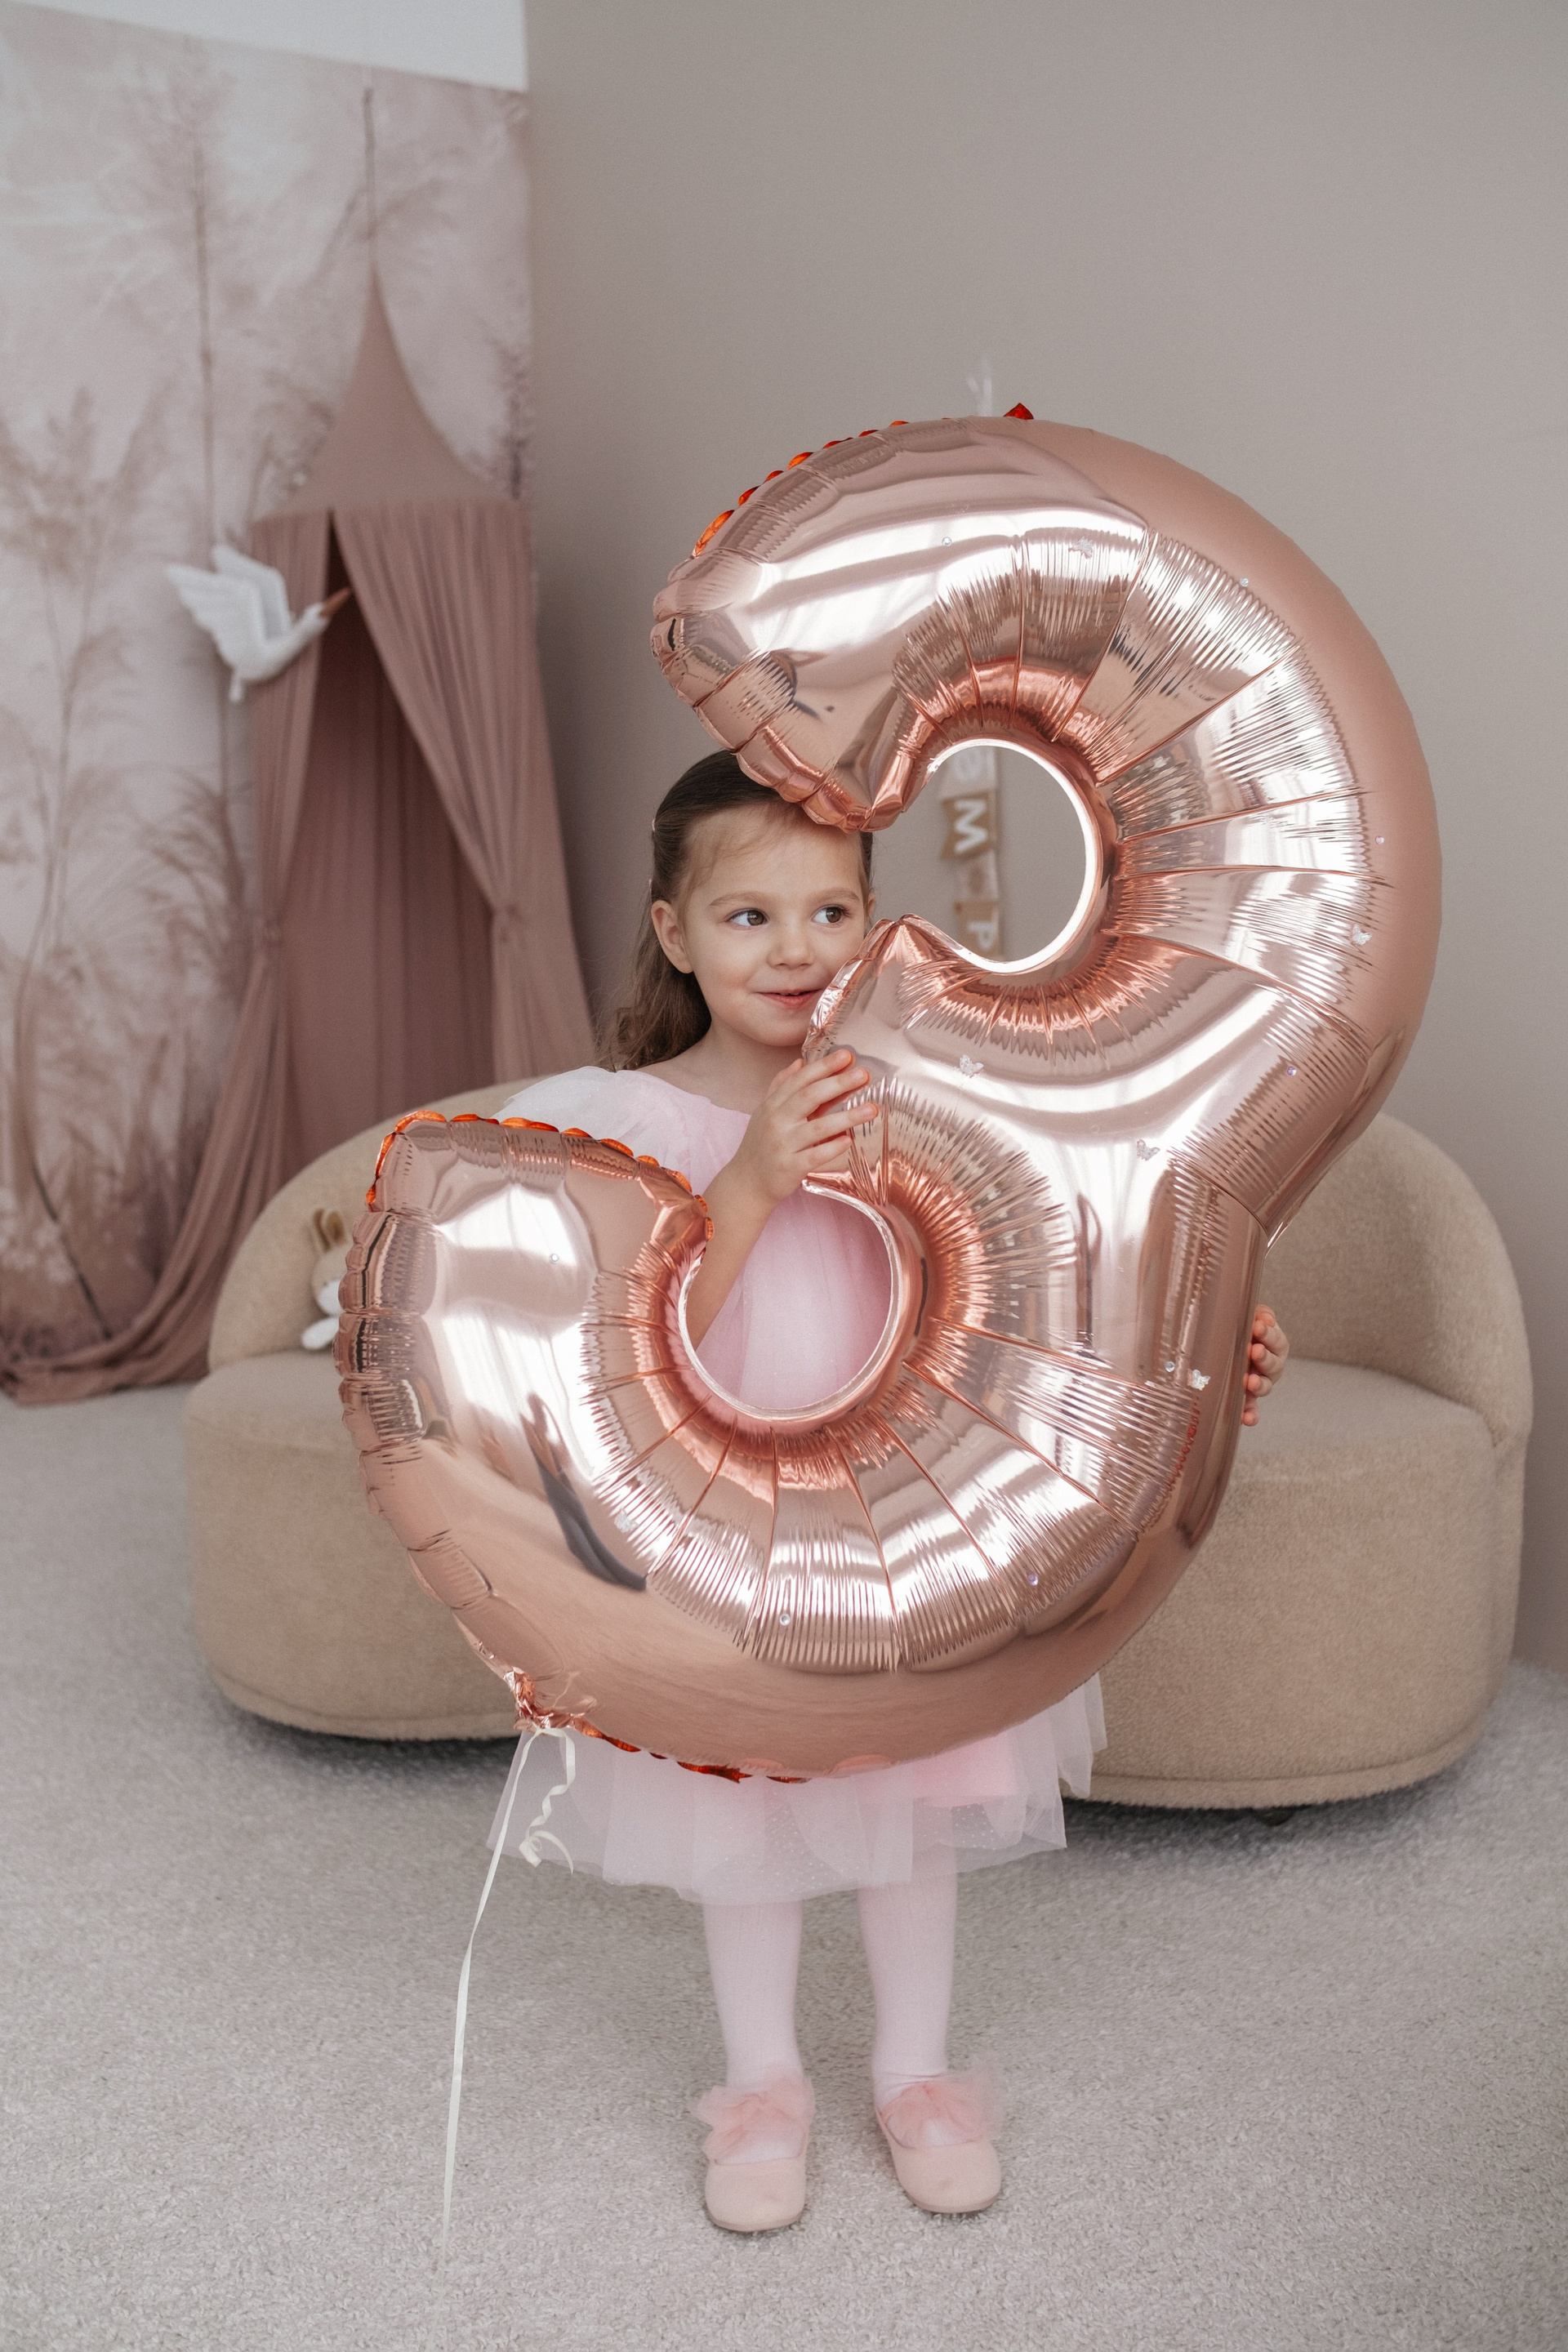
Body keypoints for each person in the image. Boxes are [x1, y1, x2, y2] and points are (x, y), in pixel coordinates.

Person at [493, 748, 1290, 2234]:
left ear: (876, 921)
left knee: (913, 1790)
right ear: (674, 932)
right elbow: (611, 1343)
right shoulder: (624, 1120)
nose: (796, 951)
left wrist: (1203, 1339)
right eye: (749, 917)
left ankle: (916, 2072)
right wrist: (750, 1181)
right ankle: (763, 2082)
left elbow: (1067, 1269)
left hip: (911, 1518)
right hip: (727, 1531)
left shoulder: (934, 1097)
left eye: (832, 912)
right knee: (744, 1803)